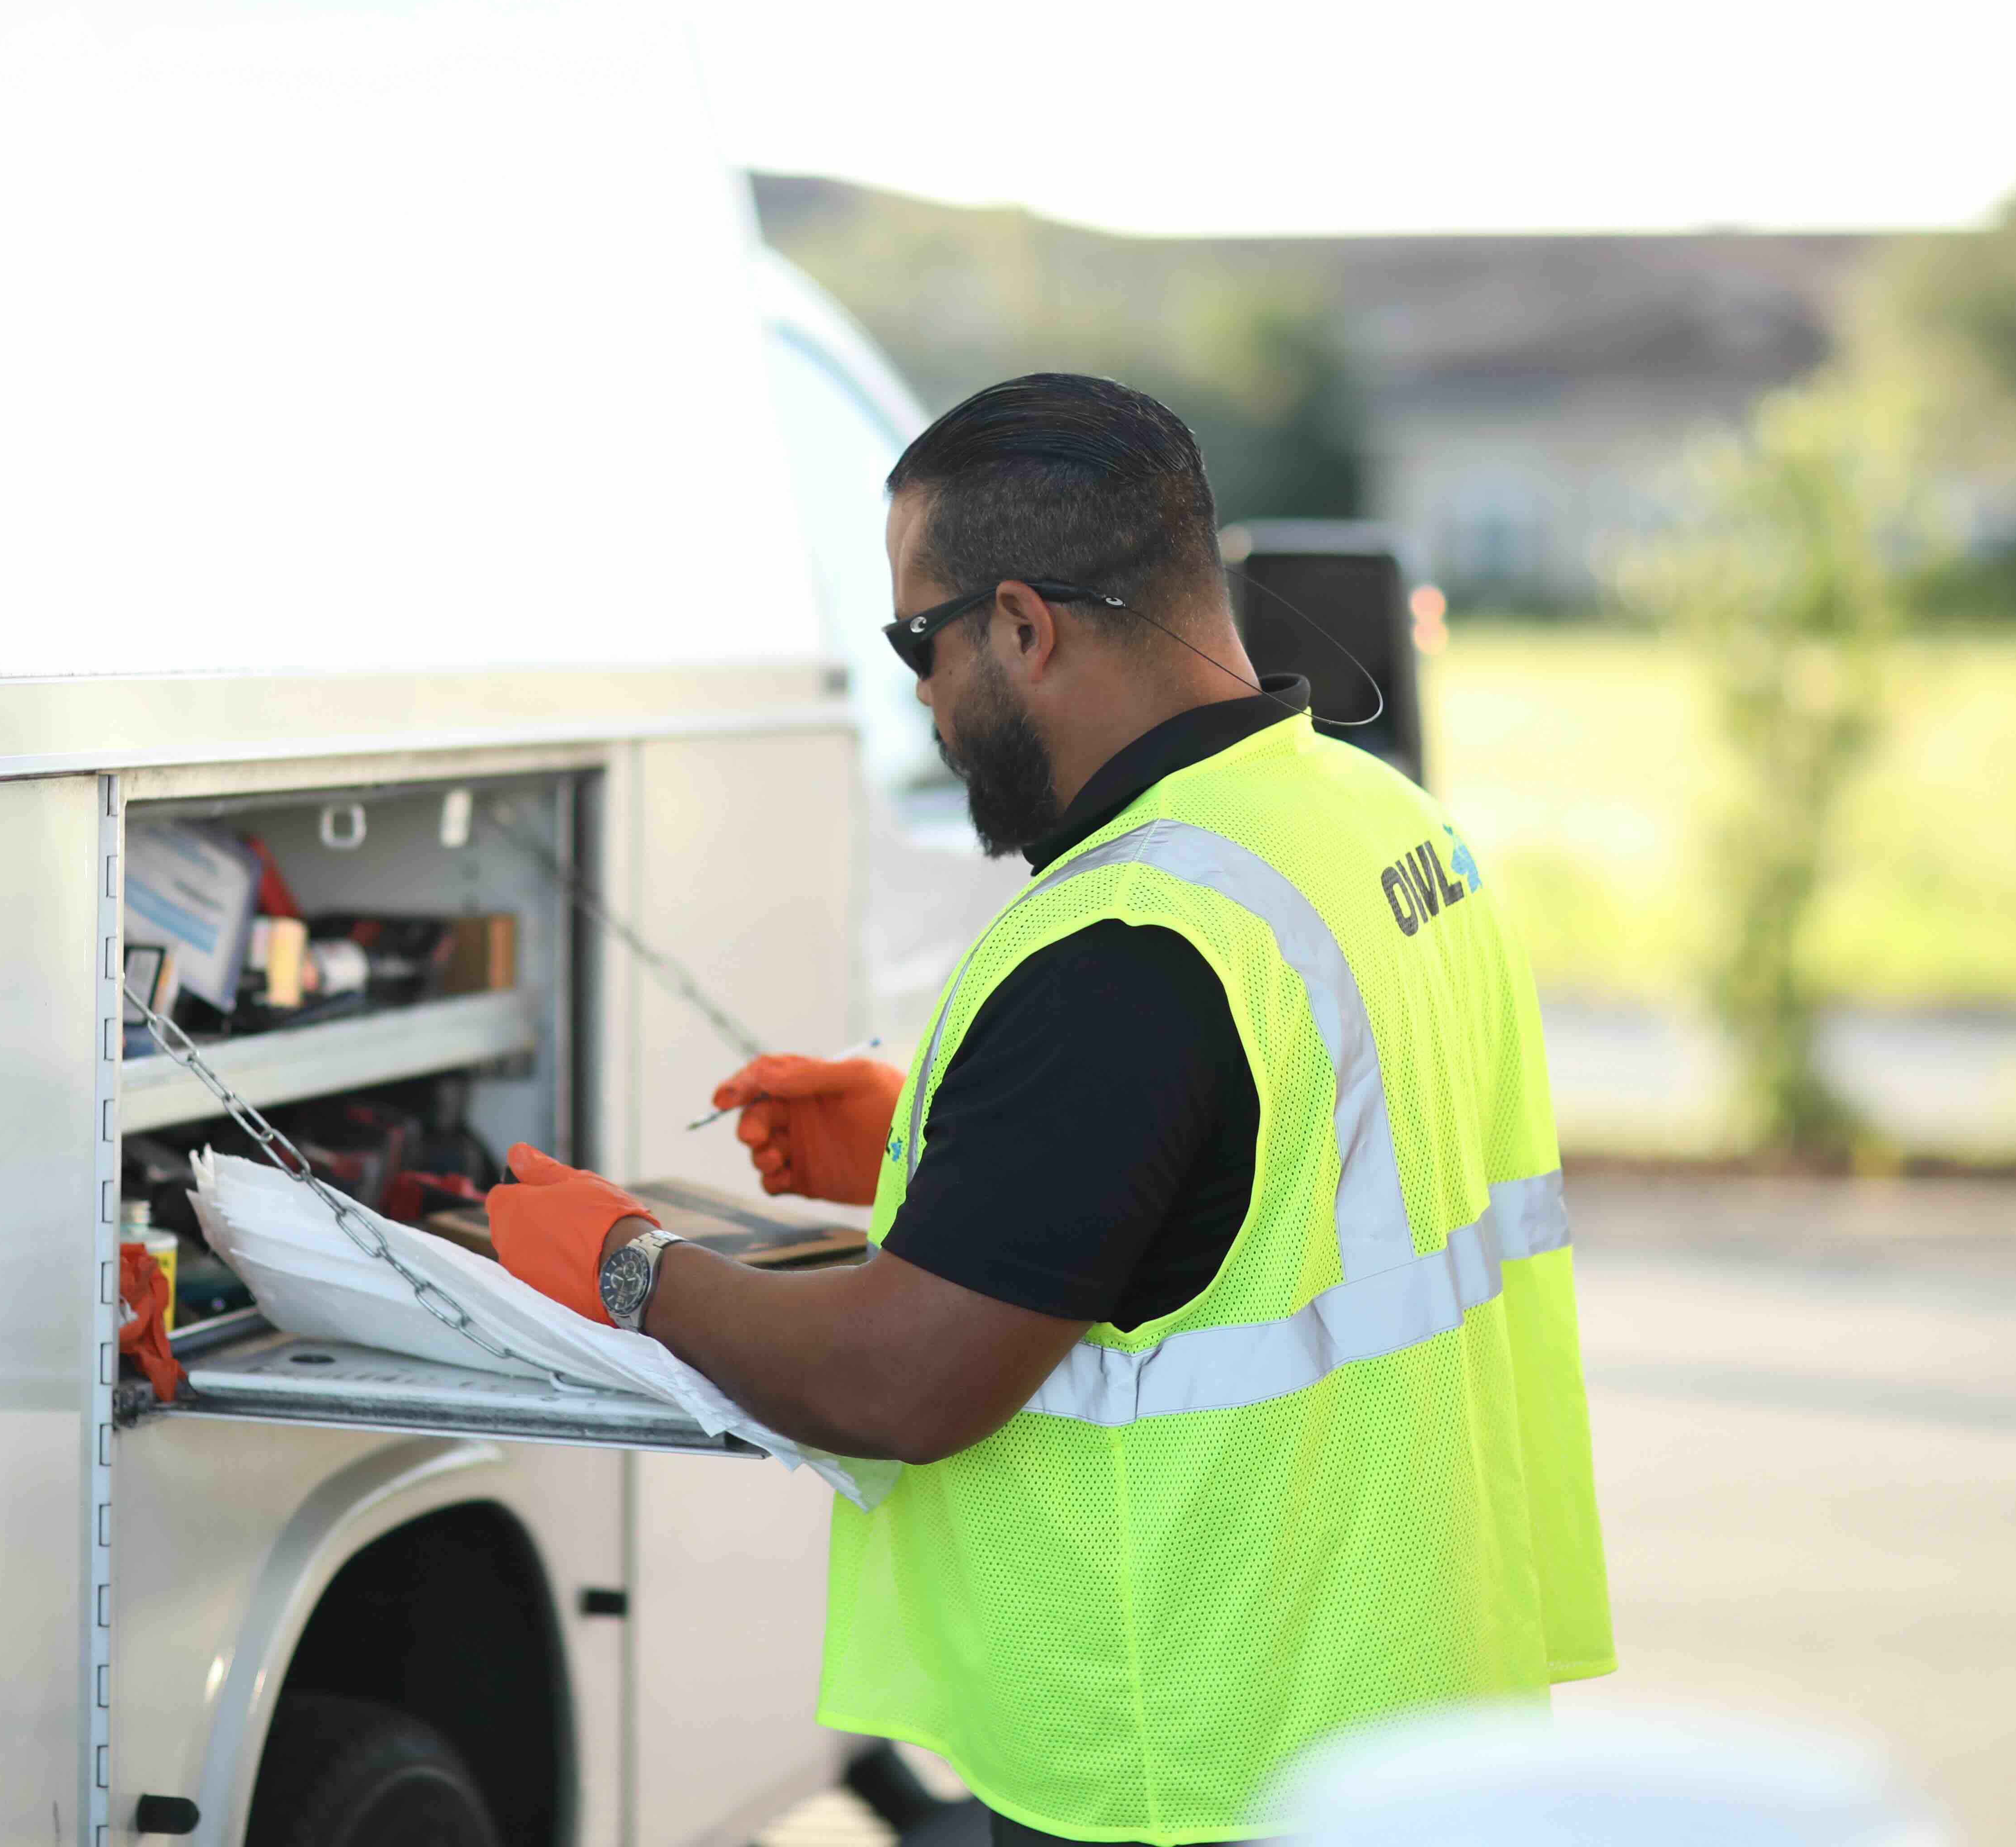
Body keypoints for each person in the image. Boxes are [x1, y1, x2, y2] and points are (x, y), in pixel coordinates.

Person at [487, 373, 1612, 1846]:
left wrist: (627, 1265)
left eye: (918, 641)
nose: (921, 696)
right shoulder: (1377, 823)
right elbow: (1273, 1172)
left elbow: (900, 1386)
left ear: (1023, 623)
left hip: (1192, 1769)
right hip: (1412, 1732)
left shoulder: (1132, 940)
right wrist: (920, 1142)